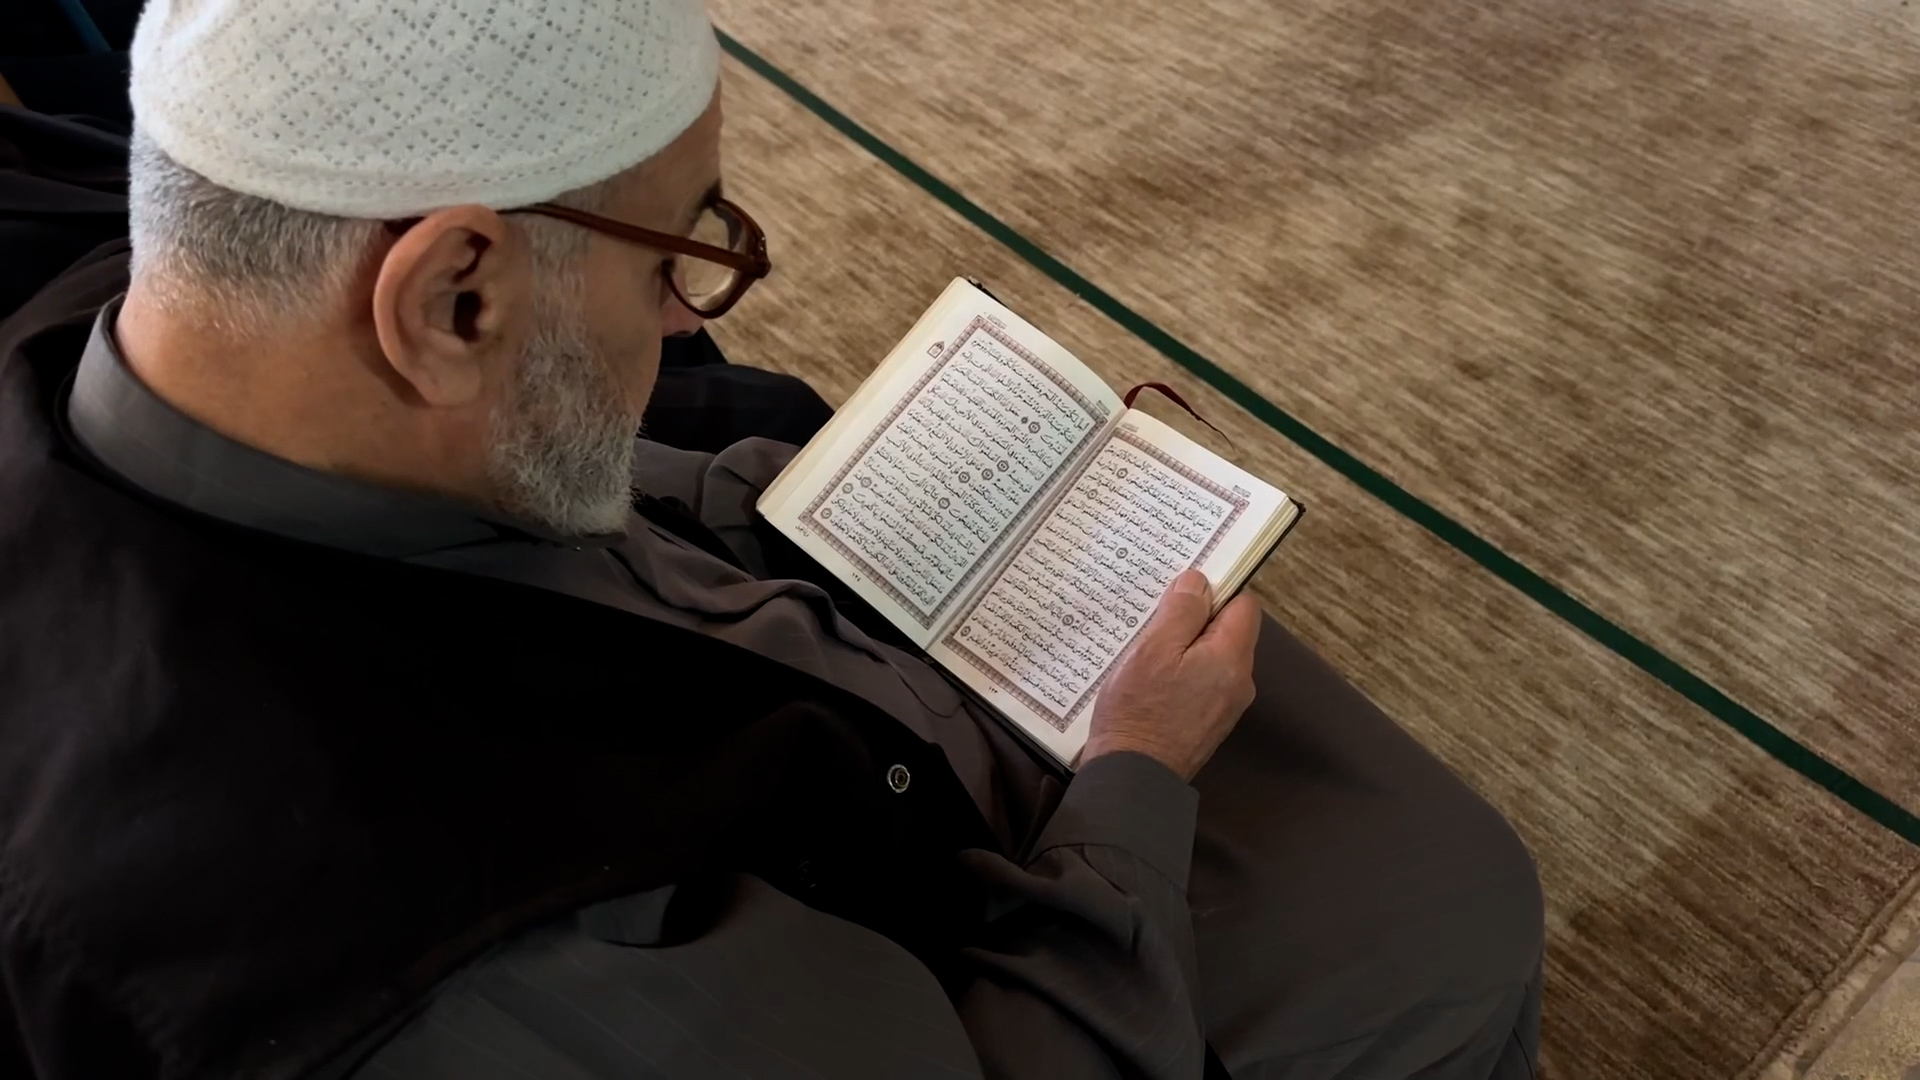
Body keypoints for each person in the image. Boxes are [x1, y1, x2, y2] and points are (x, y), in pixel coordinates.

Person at [0, 1, 1544, 1077]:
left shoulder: (131, 337)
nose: (690, 319)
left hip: (821, 758)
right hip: (962, 922)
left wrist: (756, 493)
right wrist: (1135, 775)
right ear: (454, 300)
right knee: (1447, 907)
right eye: (676, 256)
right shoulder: (456, 960)